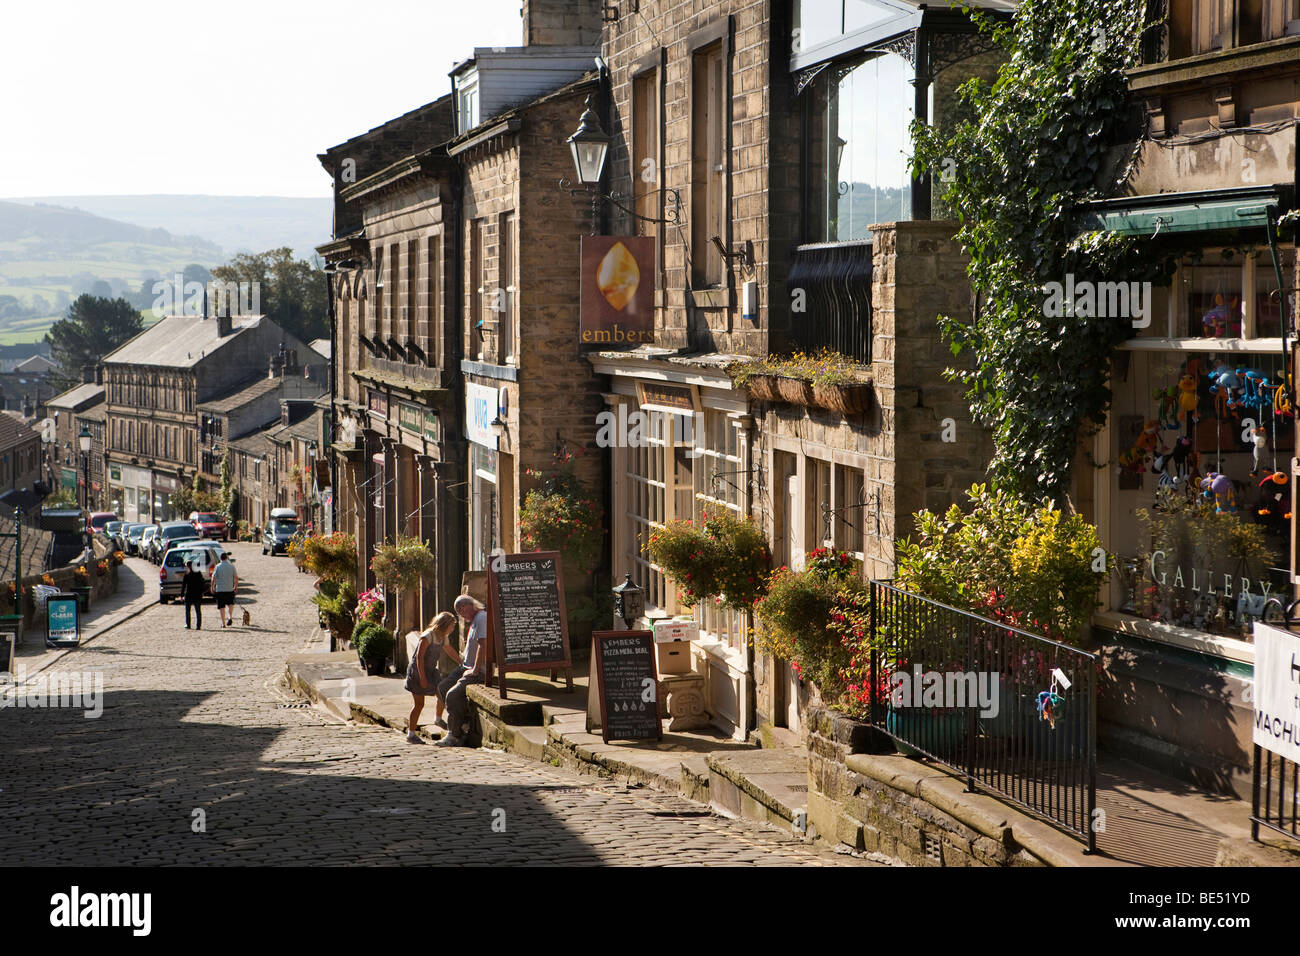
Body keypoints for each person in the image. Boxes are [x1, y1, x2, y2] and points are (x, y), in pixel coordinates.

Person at [434, 595, 488, 748]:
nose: (461, 615)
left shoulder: (482, 617)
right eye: (459, 613)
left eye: (460, 611)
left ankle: (454, 734)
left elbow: (483, 645)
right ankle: (463, 723)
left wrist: (475, 670)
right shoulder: (475, 619)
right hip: (465, 666)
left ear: (466, 607)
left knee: (452, 695)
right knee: (442, 688)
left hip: (477, 670)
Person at [402, 612, 460, 744]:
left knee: (442, 693)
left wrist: (461, 662)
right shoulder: (428, 636)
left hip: (431, 671)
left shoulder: (443, 637)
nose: (452, 629)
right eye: (451, 626)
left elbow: (449, 650)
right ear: (444, 625)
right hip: (417, 671)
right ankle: (411, 734)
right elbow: (419, 657)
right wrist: (422, 678)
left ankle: (438, 719)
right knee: (419, 704)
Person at [212, 552, 238, 627]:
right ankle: (230, 617)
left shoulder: (218, 566)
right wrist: (235, 586)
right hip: (229, 589)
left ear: (220, 558)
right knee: (230, 604)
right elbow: (236, 577)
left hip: (220, 589)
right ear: (227, 558)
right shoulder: (231, 566)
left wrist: (212, 586)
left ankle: (223, 623)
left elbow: (213, 578)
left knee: (221, 607)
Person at [181, 561, 206, 630]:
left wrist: (182, 595)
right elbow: (202, 583)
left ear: (188, 566)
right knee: (198, 610)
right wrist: (202, 592)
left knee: (188, 610)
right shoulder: (198, 573)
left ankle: (188, 624)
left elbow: (183, 585)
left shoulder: (187, 574)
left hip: (189, 594)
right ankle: (198, 625)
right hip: (197, 594)